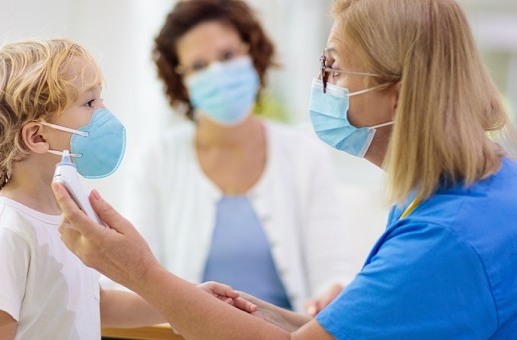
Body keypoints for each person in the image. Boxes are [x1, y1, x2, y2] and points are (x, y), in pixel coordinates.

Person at [53, 0, 517, 338]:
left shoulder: (444, 238)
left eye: (333, 67)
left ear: (397, 93)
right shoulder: (451, 194)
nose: (323, 83)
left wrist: (143, 274)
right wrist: (230, 306)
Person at [0, 38, 254, 340]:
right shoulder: (7, 234)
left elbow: (99, 305)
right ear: (37, 136)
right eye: (89, 102)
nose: (103, 111)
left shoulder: (72, 211)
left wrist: (189, 300)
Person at [122, 0, 353, 313]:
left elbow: (331, 270)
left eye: (227, 55)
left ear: (252, 52)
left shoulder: (304, 154)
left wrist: (333, 293)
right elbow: (136, 278)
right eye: (199, 66)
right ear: (181, 81)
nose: (218, 73)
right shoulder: (156, 160)